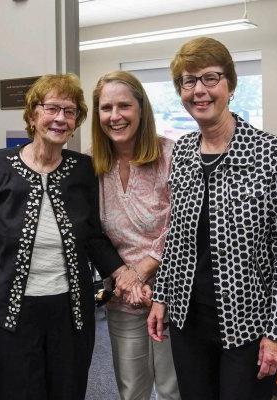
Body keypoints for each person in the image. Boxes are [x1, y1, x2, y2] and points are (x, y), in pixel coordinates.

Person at [147, 37, 277, 400]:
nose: (199, 91)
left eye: (210, 78)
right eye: (188, 81)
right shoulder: (184, 150)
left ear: (230, 86)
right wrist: (162, 297)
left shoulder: (270, 152)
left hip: (247, 323)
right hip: (188, 319)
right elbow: (177, 236)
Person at [0, 73, 132, 400]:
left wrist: (125, 272)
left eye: (69, 112)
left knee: (67, 390)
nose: (60, 118)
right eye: (52, 108)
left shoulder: (84, 169)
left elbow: (93, 238)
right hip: (11, 313)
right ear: (32, 114)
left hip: (71, 313)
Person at [91, 71, 180, 400]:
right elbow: (92, 232)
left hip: (172, 296)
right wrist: (124, 278)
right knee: (131, 390)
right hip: (123, 298)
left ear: (141, 109)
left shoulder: (173, 156)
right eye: (106, 107)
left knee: (173, 390)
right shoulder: (94, 164)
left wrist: (142, 270)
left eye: (124, 106)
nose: (115, 116)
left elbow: (183, 223)